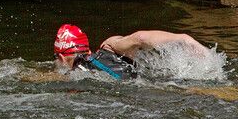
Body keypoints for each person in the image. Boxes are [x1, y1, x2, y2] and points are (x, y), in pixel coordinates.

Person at [53, 24, 209, 79]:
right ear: (86, 47)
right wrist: (183, 39)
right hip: (159, 85)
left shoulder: (68, 78)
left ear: (61, 56)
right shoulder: (109, 47)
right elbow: (140, 38)